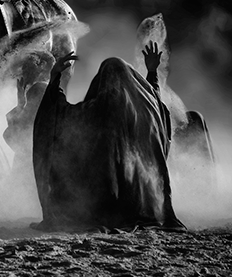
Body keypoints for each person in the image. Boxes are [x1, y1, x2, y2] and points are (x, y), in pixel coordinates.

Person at [32, 43, 184, 231]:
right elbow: (153, 101)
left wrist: (55, 78)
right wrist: (152, 72)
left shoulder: (98, 110)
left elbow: (57, 115)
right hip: (145, 204)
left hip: (101, 203)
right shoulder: (145, 113)